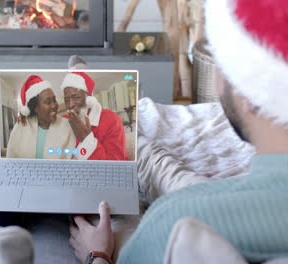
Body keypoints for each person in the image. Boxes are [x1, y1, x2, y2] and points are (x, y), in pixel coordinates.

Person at [69, 0, 288, 263]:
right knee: (174, 178)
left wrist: (98, 255)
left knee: (113, 211)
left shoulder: (177, 224)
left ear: (250, 93)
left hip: (168, 228)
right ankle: (126, 130)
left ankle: (120, 128)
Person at [61, 72, 128, 161]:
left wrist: (86, 139)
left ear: (89, 99)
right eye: (66, 100)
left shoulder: (111, 119)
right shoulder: (63, 120)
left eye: (76, 97)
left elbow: (115, 165)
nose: (70, 105)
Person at [6, 75, 75, 159]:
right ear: (35, 108)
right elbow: (10, 158)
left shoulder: (66, 125)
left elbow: (72, 160)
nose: (54, 105)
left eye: (54, 100)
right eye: (48, 102)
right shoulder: (22, 125)